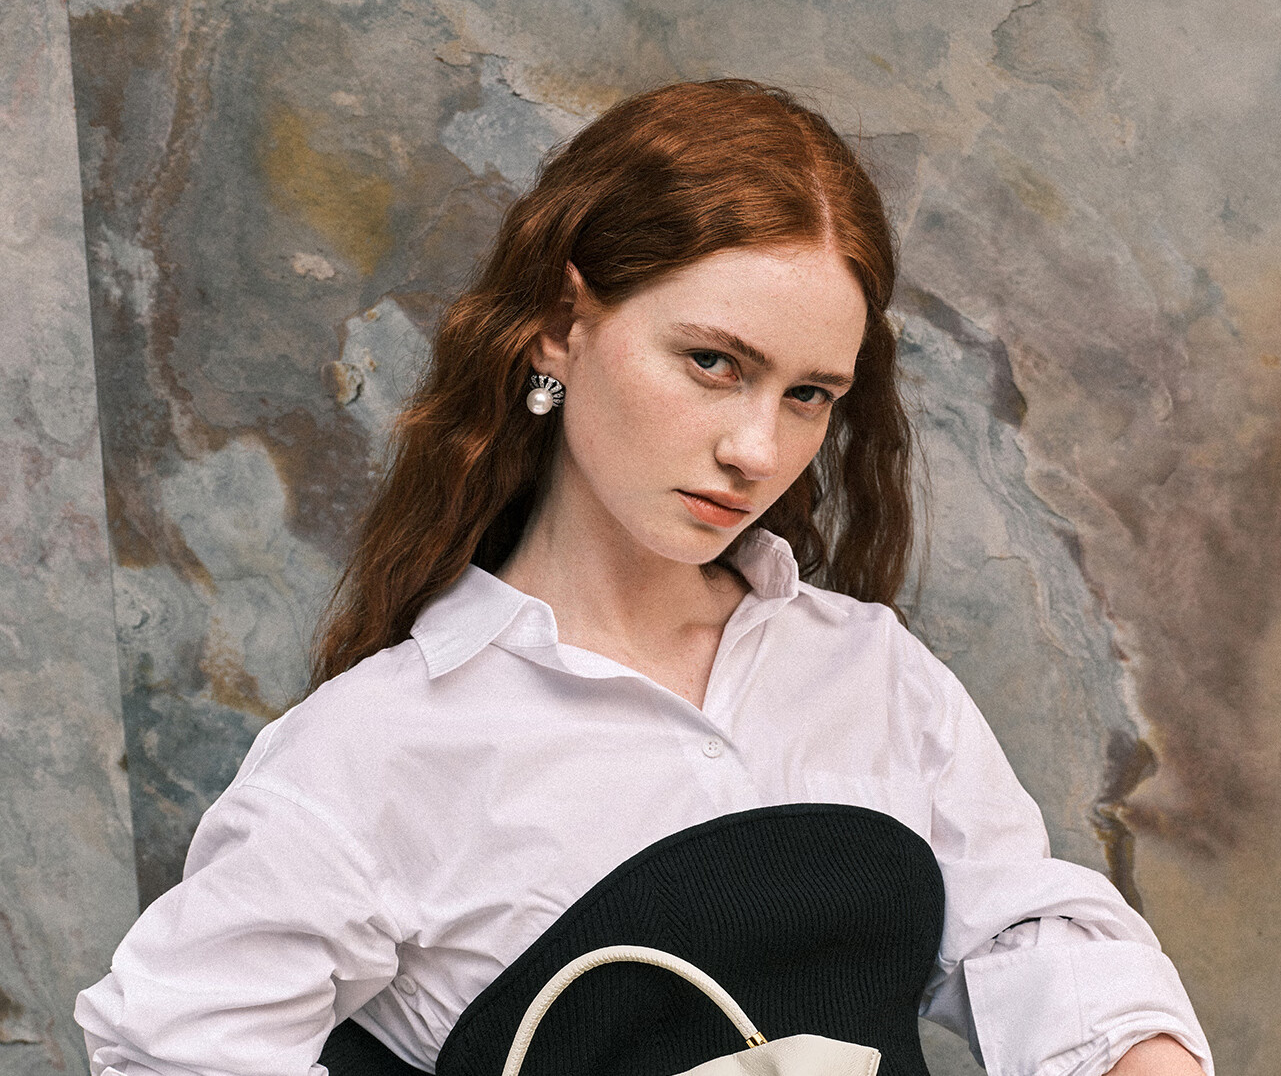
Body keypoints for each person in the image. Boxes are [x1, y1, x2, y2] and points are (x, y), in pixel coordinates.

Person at [76, 80, 1213, 1076]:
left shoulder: (870, 673)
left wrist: (1138, 1051)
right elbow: (175, 1047)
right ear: (560, 325)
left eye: (808, 395)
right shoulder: (380, 747)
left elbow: (1025, 931)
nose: (757, 450)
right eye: (713, 362)